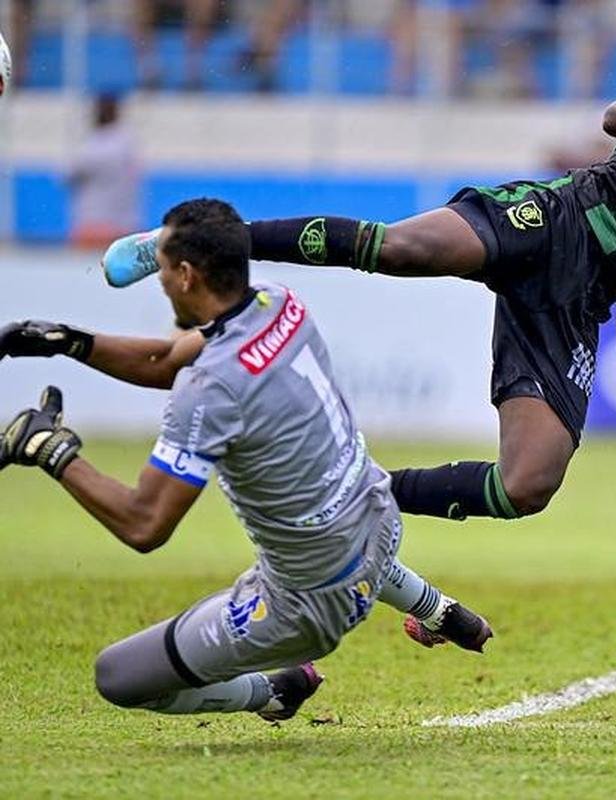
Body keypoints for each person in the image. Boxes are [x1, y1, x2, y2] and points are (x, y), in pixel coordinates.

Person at [101, 33, 616, 526]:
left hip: (575, 303)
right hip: (559, 218)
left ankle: (353, 496)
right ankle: (188, 237)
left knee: (528, 486)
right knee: (403, 249)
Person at [0, 199, 491, 721]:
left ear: (187, 275)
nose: (159, 280)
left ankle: (276, 689)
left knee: (118, 677)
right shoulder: (277, 304)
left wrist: (50, 450)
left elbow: (145, 524)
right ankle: (439, 609)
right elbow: (165, 359)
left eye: (162, 269)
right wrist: (69, 342)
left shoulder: (212, 389)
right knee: (330, 519)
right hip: (378, 523)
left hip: (307, 605)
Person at [67, 95, 142, 249]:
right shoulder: (128, 141)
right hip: (123, 223)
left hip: (94, 220)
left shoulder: (95, 145)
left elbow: (71, 174)